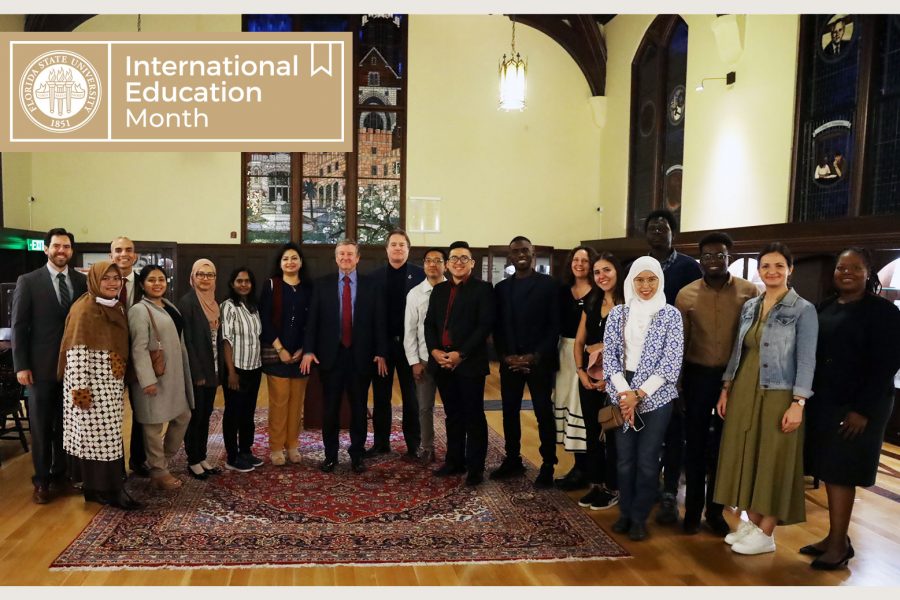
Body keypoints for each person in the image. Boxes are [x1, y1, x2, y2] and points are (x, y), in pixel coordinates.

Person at [714, 242, 818, 555]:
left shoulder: (803, 309)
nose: (771, 272)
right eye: (765, 266)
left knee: (775, 459)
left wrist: (798, 402)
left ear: (790, 269)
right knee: (745, 453)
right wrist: (726, 387)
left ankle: (767, 531)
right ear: (759, 271)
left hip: (780, 391)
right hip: (745, 386)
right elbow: (738, 350)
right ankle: (753, 523)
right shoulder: (750, 306)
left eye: (778, 266)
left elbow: (807, 359)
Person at [802, 248, 900, 570]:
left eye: (855, 268)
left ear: (867, 271)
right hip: (827, 401)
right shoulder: (825, 306)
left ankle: (839, 545)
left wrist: (862, 410)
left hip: (859, 407)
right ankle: (835, 539)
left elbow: (886, 365)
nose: (847, 272)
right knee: (828, 471)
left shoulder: (883, 312)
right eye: (841, 267)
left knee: (840, 473)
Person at [675, 233, 759, 536]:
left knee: (725, 448)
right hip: (697, 377)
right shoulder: (685, 295)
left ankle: (715, 511)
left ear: (729, 258)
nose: (713, 260)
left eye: (720, 255)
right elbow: (680, 344)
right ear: (701, 259)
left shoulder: (749, 292)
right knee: (695, 445)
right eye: (707, 256)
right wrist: (679, 387)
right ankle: (693, 511)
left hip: (735, 379)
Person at [603, 256, 684, 542]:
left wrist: (639, 394)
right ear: (631, 282)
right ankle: (625, 513)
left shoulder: (671, 315)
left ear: (660, 280)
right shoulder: (619, 313)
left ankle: (639, 517)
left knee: (648, 460)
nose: (645, 285)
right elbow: (610, 357)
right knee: (624, 460)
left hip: (656, 395)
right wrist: (625, 393)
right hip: (621, 390)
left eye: (651, 279)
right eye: (639, 279)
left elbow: (670, 363)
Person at [11, 227, 88, 504]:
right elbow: (18, 326)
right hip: (40, 369)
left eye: (66, 247)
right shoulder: (29, 281)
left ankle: (62, 473)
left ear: (71, 250)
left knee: (67, 425)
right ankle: (42, 480)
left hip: (74, 369)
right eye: (56, 246)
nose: (61, 251)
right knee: (42, 426)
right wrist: (21, 366)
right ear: (46, 249)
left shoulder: (82, 282)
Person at [301, 240, 388, 474]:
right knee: (330, 409)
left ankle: (357, 455)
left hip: (362, 357)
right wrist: (308, 350)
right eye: (341, 254)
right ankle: (330, 456)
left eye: (350, 254)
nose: (345, 257)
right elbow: (312, 323)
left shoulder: (372, 286)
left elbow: (380, 321)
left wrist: (381, 351)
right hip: (331, 357)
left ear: (358, 258)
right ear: (336, 257)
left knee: (359, 409)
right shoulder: (322, 285)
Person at [58, 261, 140, 510]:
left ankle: (97, 490)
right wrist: (81, 391)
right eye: (106, 278)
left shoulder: (116, 307)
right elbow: (76, 351)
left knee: (108, 439)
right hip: (90, 391)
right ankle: (111, 490)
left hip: (110, 386)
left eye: (116, 278)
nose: (113, 283)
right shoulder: (85, 308)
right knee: (99, 442)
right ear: (94, 280)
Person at [642, 208, 701, 525]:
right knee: (648, 427)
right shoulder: (638, 267)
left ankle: (669, 493)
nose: (657, 230)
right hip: (643, 360)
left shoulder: (689, 268)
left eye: (663, 226)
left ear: (672, 233)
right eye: (652, 226)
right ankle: (649, 484)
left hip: (679, 361)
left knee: (675, 429)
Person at [491, 236, 560, 488]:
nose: (521, 254)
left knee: (543, 414)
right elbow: (497, 327)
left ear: (533, 254)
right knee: (509, 412)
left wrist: (534, 356)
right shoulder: (501, 288)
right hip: (510, 361)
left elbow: (554, 327)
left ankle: (548, 465)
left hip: (539, 362)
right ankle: (512, 459)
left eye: (525, 250)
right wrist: (505, 356)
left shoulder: (549, 285)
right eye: (516, 251)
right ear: (510, 257)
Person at [424, 241, 495, 487]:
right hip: (441, 363)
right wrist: (434, 351)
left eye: (464, 258)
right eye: (454, 258)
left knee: (473, 415)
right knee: (452, 414)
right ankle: (455, 461)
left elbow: (484, 326)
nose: (458, 262)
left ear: (472, 263)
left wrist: (460, 354)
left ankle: (475, 468)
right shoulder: (439, 290)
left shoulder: (483, 289)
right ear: (448, 263)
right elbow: (429, 324)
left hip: (469, 364)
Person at [129, 265, 194, 491]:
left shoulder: (168, 305)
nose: (157, 283)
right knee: (153, 425)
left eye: (161, 279)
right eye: (151, 280)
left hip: (174, 375)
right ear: (142, 285)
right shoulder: (139, 310)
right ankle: (158, 471)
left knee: (183, 415)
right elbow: (138, 348)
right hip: (154, 378)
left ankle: (162, 461)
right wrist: (147, 380)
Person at [573, 252, 625, 511]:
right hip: (589, 378)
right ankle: (596, 482)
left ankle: (612, 487)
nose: (601, 276)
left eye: (607, 270)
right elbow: (579, 341)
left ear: (617, 272)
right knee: (592, 431)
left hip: (616, 382)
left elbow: (630, 345)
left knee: (613, 433)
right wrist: (581, 370)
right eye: (597, 272)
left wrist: (611, 379)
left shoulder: (627, 304)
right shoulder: (591, 301)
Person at [368, 229, 425, 459]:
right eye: (394, 244)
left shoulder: (420, 276)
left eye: (402, 244)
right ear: (387, 249)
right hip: (383, 348)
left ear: (408, 249)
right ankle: (382, 443)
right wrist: (378, 350)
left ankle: (413, 444)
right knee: (381, 397)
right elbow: (372, 317)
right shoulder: (374, 277)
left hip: (410, 347)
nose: (398, 248)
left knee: (411, 398)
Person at [259, 243, 311, 466]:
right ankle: (276, 447)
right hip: (277, 353)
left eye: (294, 258)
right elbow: (264, 318)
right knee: (279, 402)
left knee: (296, 404)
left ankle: (292, 445)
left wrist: (304, 349)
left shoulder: (309, 287)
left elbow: (312, 321)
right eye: (285, 259)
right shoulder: (272, 285)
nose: (290, 262)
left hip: (300, 356)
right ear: (280, 263)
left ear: (300, 262)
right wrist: (280, 349)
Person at [554, 245, 598, 491]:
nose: (580, 264)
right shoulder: (562, 290)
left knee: (585, 411)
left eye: (585, 260)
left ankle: (589, 469)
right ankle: (579, 465)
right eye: (576, 259)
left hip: (589, 356)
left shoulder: (598, 292)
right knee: (567, 407)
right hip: (564, 352)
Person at [179, 259, 223, 480]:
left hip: (213, 368)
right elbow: (187, 342)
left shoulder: (215, 303)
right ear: (193, 277)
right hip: (198, 372)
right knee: (195, 417)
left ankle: (202, 455)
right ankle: (193, 460)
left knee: (206, 415)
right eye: (201, 274)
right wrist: (197, 374)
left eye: (210, 274)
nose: (205, 279)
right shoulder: (187, 303)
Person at [403, 247, 448, 465]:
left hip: (451, 361)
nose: (433, 264)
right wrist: (414, 362)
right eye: (428, 260)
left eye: (438, 260)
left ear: (445, 265)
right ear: (423, 265)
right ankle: (427, 447)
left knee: (455, 408)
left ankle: (456, 448)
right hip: (424, 359)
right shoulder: (415, 294)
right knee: (424, 407)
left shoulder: (454, 290)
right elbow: (409, 330)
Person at [109, 235, 149, 478]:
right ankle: (113, 464)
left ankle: (138, 460)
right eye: (118, 250)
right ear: (111, 256)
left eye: (129, 250)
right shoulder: (102, 283)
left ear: (135, 255)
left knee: (141, 412)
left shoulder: (145, 284)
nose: (124, 254)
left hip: (138, 359)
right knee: (112, 415)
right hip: (110, 361)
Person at [220, 267, 263, 473]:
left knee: (248, 413)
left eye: (247, 281)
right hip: (236, 368)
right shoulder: (228, 306)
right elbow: (226, 340)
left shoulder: (254, 307)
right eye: (239, 281)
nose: (243, 284)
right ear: (232, 284)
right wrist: (231, 372)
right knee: (233, 413)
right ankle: (232, 455)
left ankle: (246, 450)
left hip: (254, 367)